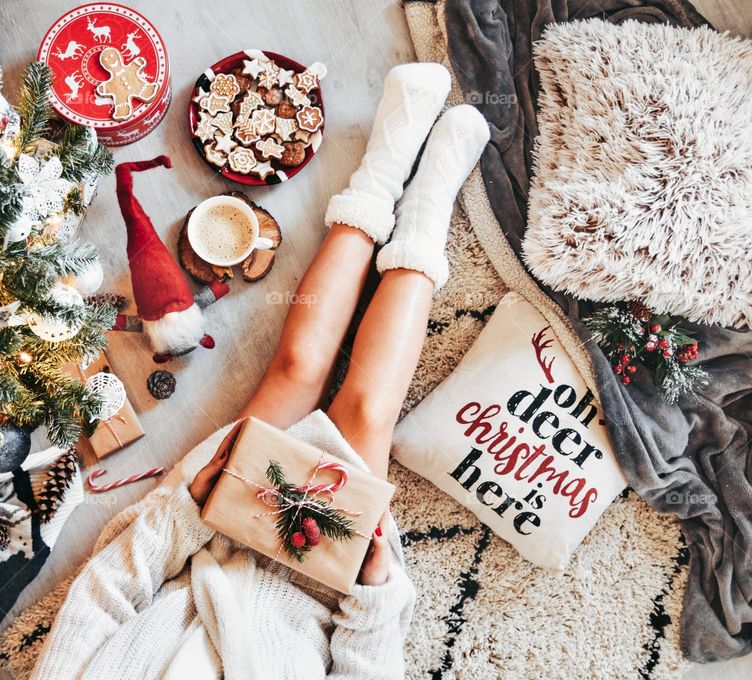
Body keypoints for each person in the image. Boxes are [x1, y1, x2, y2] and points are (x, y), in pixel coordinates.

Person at [30, 63, 489, 680]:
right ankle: (430, 208)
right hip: (322, 587)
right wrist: (375, 593)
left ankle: (380, 176)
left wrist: (184, 511)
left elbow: (105, 592)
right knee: (369, 413)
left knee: (296, 370)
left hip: (209, 530)